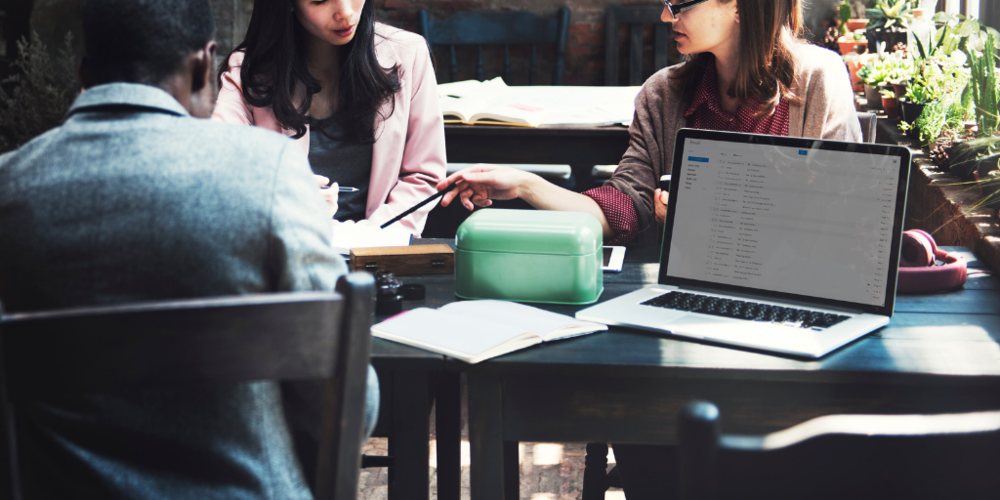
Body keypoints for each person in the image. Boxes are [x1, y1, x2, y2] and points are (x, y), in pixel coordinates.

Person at [0, 0, 376, 497]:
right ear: (204, 63)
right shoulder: (271, 170)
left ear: (84, 73)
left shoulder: (10, 189)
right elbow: (346, 403)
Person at [438, 0, 861, 247]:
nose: (664, 16)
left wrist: (707, 215)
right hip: (688, 288)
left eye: (680, 4)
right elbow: (625, 208)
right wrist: (527, 185)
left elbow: (844, 215)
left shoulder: (818, 79)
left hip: (793, 293)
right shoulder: (664, 93)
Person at [212, 0, 446, 236]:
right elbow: (218, 167)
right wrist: (279, 194)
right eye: (320, 0)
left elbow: (422, 175)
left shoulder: (409, 53)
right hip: (287, 252)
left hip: (379, 251)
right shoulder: (248, 70)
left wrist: (364, 237)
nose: (345, 13)